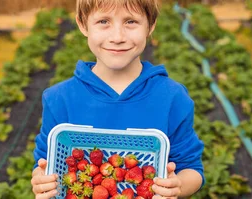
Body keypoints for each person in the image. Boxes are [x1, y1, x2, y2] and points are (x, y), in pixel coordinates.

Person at [31, 0, 204, 198]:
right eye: (104, 21)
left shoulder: (172, 97)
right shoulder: (59, 99)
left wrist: (177, 185)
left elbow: (191, 168)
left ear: (151, 25)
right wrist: (41, 180)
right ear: (82, 24)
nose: (117, 37)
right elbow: (44, 163)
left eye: (130, 22)